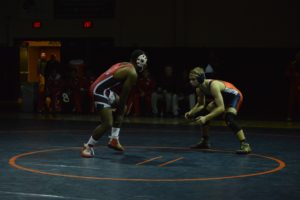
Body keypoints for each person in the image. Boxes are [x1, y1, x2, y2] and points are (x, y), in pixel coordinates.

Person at [80, 49, 148, 158]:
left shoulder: (124, 64)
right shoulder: (133, 73)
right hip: (99, 91)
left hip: (103, 89)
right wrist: (119, 111)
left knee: (123, 108)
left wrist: (121, 110)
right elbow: (124, 95)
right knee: (107, 123)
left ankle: (114, 139)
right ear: (142, 64)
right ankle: (87, 147)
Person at [184, 67, 251, 154]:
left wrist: (205, 118)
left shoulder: (213, 85)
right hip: (222, 97)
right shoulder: (199, 88)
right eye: (190, 79)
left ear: (200, 78)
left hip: (234, 96)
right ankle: (205, 141)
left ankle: (245, 144)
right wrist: (191, 112)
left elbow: (221, 108)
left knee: (228, 118)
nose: (191, 82)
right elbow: (200, 104)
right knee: (203, 113)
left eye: (193, 79)